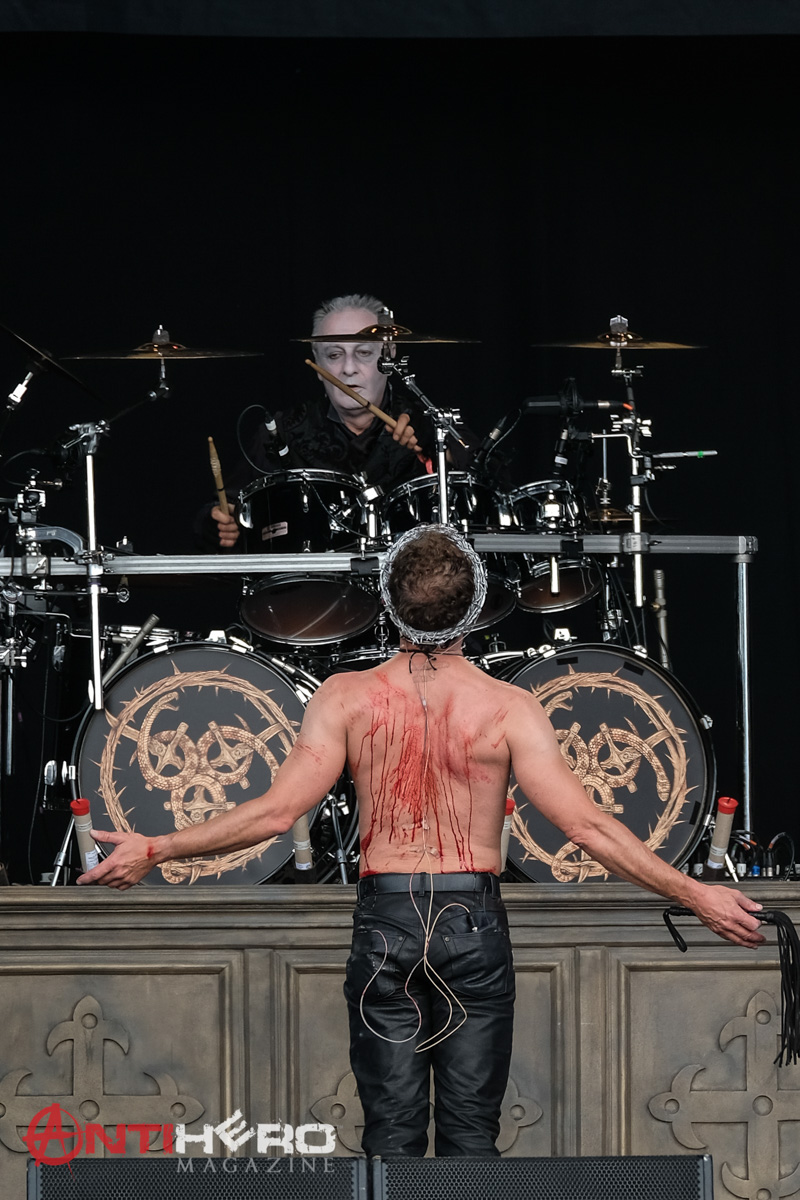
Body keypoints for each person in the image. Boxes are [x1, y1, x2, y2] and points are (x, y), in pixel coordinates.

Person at [77, 524, 765, 1158]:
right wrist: (694, 892)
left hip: (387, 918)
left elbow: (275, 813)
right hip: (472, 920)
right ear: (475, 609)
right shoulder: (508, 709)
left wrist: (155, 848)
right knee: (470, 1136)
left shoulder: (345, 697)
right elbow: (586, 827)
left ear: (388, 604)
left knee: (392, 1135)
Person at [208, 294, 470, 550]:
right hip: (312, 578)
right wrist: (221, 522)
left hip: (411, 576)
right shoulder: (282, 431)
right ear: (317, 363)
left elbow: (481, 477)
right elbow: (229, 507)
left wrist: (433, 444)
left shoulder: (428, 423)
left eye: (364, 352)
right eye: (334, 355)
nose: (348, 369)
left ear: (389, 356)